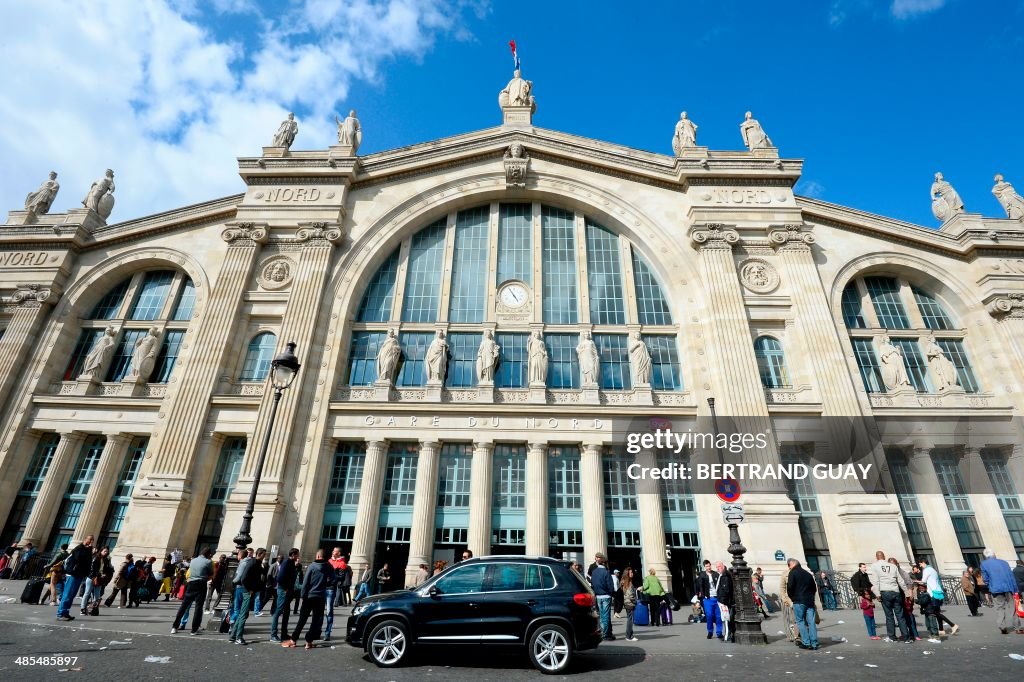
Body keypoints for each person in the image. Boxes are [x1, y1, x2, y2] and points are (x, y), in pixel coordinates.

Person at [284, 549, 334, 649]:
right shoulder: (329, 566)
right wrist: (325, 583)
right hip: (320, 597)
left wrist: (303, 595)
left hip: (309, 596)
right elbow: (333, 579)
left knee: (302, 619)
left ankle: (293, 640)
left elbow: (306, 582)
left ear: (319, 556)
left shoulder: (312, 566)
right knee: (315, 621)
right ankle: (309, 641)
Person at [870, 550, 912, 642]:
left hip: (885, 591)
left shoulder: (874, 566)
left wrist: (877, 594)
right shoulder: (893, 566)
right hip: (895, 591)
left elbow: (875, 581)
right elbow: (900, 580)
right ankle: (906, 637)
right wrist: (906, 593)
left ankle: (892, 637)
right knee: (900, 615)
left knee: (889, 616)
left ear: (876, 557)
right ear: (884, 557)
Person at [171, 546, 213, 635]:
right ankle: (194, 629)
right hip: (201, 584)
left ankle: (175, 627)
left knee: (184, 606)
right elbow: (210, 576)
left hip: (191, 583)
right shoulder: (209, 562)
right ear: (209, 554)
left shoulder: (193, 560)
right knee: (198, 607)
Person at [229, 547, 266, 645]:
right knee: (243, 614)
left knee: (242, 613)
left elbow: (262, 574)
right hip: (246, 591)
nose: (265, 556)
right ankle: (238, 637)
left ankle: (233, 636)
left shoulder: (257, 563)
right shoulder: (253, 563)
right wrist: (249, 589)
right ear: (260, 554)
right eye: (264, 554)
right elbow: (244, 578)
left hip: (246, 590)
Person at [981, 548, 1022, 635]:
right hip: (1008, 587)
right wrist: (1015, 589)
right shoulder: (1004, 562)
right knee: (1012, 608)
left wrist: (989, 586)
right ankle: (1017, 628)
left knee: (999, 608)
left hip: (995, 589)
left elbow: (985, 578)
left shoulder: (984, 564)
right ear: (994, 554)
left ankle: (1002, 627)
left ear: (985, 556)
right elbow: (1011, 576)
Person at [56, 535, 94, 621]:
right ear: (85, 539)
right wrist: (88, 549)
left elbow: (87, 562)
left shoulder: (87, 549)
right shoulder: (79, 548)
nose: (91, 541)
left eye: (92, 540)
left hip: (79, 574)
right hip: (73, 574)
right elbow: (79, 558)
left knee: (71, 595)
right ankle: (61, 613)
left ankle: (65, 612)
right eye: (90, 539)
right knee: (67, 594)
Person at [917, 557, 957, 636]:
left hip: (933, 593)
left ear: (923, 562)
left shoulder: (926, 570)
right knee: (937, 611)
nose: (920, 566)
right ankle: (941, 630)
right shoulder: (933, 569)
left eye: (920, 564)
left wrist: (915, 581)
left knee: (935, 612)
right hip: (938, 592)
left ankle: (952, 625)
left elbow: (923, 581)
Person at [786, 558, 819, 650]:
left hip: (799, 601)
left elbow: (790, 587)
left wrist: (793, 598)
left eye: (788, 565)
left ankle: (806, 642)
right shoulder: (808, 574)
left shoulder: (792, 573)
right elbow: (814, 588)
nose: (788, 568)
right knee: (811, 622)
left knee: (800, 621)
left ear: (791, 564)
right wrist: (811, 597)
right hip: (809, 601)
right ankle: (814, 643)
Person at [271, 548, 300, 643]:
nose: (298, 556)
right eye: (297, 555)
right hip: (284, 591)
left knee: (287, 612)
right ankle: (273, 634)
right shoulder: (287, 562)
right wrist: (286, 588)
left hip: (288, 591)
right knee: (278, 611)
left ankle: (284, 633)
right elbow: (280, 578)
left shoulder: (292, 563)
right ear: (294, 555)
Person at [82, 546, 113, 615]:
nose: (106, 552)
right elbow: (92, 569)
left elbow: (108, 569)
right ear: (101, 551)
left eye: (107, 551)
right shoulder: (95, 558)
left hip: (100, 579)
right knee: (87, 593)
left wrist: (106, 574)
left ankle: (94, 609)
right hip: (92, 578)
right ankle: (83, 609)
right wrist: (99, 574)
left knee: (97, 596)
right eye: (104, 551)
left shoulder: (106, 560)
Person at [591, 553, 615, 641]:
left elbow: (593, 584)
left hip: (598, 596)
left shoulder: (594, 572)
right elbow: (610, 586)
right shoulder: (606, 572)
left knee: (601, 615)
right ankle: (605, 634)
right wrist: (611, 592)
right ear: (605, 563)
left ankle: (605, 633)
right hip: (606, 596)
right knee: (606, 616)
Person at [696, 560, 722, 639]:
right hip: (708, 598)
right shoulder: (702, 575)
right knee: (709, 615)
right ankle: (710, 631)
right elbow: (698, 587)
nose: (709, 567)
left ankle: (719, 632)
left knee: (718, 616)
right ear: (704, 567)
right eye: (707, 566)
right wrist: (699, 598)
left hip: (717, 598)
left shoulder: (716, 574)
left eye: (709, 565)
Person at [715, 561, 735, 642]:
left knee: (726, 619)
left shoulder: (725, 576)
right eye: (717, 567)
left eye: (718, 567)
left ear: (723, 566)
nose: (717, 569)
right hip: (723, 600)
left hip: (724, 601)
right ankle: (729, 635)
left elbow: (726, 590)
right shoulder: (722, 575)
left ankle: (727, 636)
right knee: (726, 618)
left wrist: (722, 600)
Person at [620, 567, 639, 642]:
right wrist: (635, 601)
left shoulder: (624, 581)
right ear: (627, 574)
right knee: (630, 620)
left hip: (626, 602)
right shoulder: (628, 583)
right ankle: (629, 636)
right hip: (629, 603)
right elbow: (630, 595)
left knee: (629, 619)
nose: (632, 573)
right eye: (631, 572)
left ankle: (629, 635)